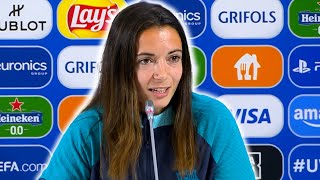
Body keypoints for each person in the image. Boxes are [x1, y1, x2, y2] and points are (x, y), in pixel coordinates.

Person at [38, 1, 255, 180]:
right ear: (120, 66)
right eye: (146, 60)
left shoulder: (212, 119)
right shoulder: (88, 131)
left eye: (173, 58)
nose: (162, 73)